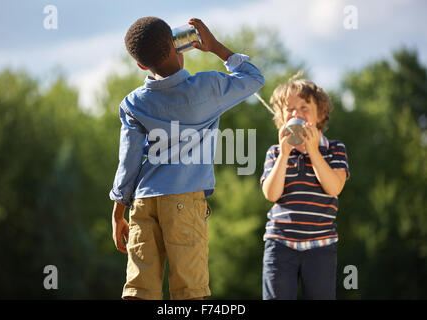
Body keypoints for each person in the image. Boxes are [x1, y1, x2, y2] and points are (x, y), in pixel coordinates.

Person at [109, 16, 264, 300]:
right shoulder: (207, 87)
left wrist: (119, 210)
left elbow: (128, 161)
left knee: (138, 291)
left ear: (141, 65)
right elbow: (254, 78)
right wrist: (216, 47)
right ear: (178, 46)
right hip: (184, 201)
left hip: (143, 202)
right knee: (190, 291)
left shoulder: (133, 103)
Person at [260, 72, 350, 300]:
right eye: (289, 109)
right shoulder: (275, 152)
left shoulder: (334, 149)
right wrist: (285, 152)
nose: (296, 113)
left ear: (320, 114)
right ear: (281, 117)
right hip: (280, 244)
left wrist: (312, 149)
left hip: (320, 246)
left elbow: (334, 187)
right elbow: (271, 194)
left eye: (304, 108)